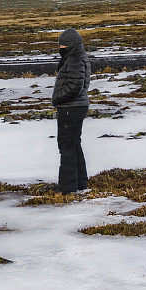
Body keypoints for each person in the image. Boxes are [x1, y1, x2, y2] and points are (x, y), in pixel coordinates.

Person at [52, 27, 91, 194]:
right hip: (76, 107)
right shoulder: (77, 57)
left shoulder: (74, 59)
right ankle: (80, 184)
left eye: (62, 45)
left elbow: (76, 86)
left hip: (71, 108)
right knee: (74, 145)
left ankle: (67, 188)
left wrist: (58, 98)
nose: (60, 48)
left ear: (70, 45)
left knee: (67, 146)